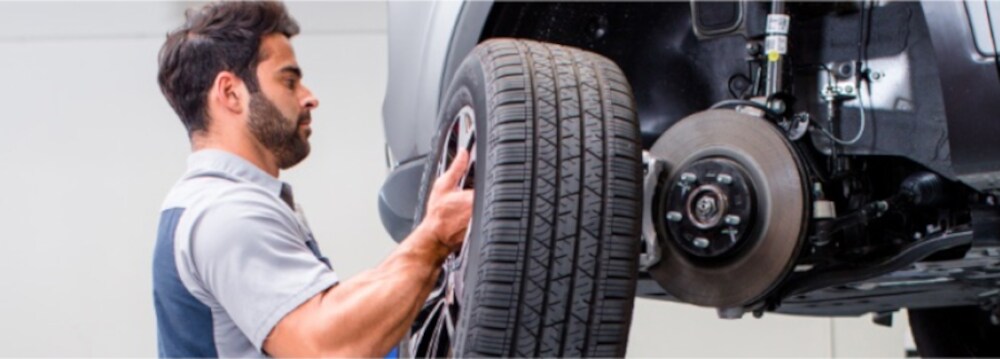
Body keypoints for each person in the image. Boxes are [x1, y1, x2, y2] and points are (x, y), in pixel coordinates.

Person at [152, 1, 474, 357]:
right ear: (230, 93)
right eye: (289, 81)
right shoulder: (227, 213)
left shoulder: (205, 202)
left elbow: (329, 314)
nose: (309, 98)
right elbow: (327, 347)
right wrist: (433, 240)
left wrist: (426, 247)